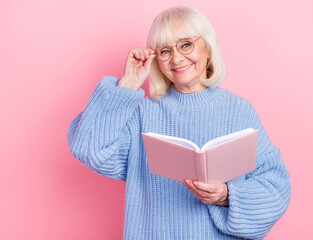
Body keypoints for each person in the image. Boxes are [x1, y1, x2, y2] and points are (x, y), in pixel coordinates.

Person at [67, 5, 291, 240]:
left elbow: (276, 187)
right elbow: (88, 149)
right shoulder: (141, 114)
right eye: (164, 51)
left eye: (186, 44)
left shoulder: (239, 110)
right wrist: (128, 85)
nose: (176, 58)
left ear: (208, 47)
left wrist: (226, 196)